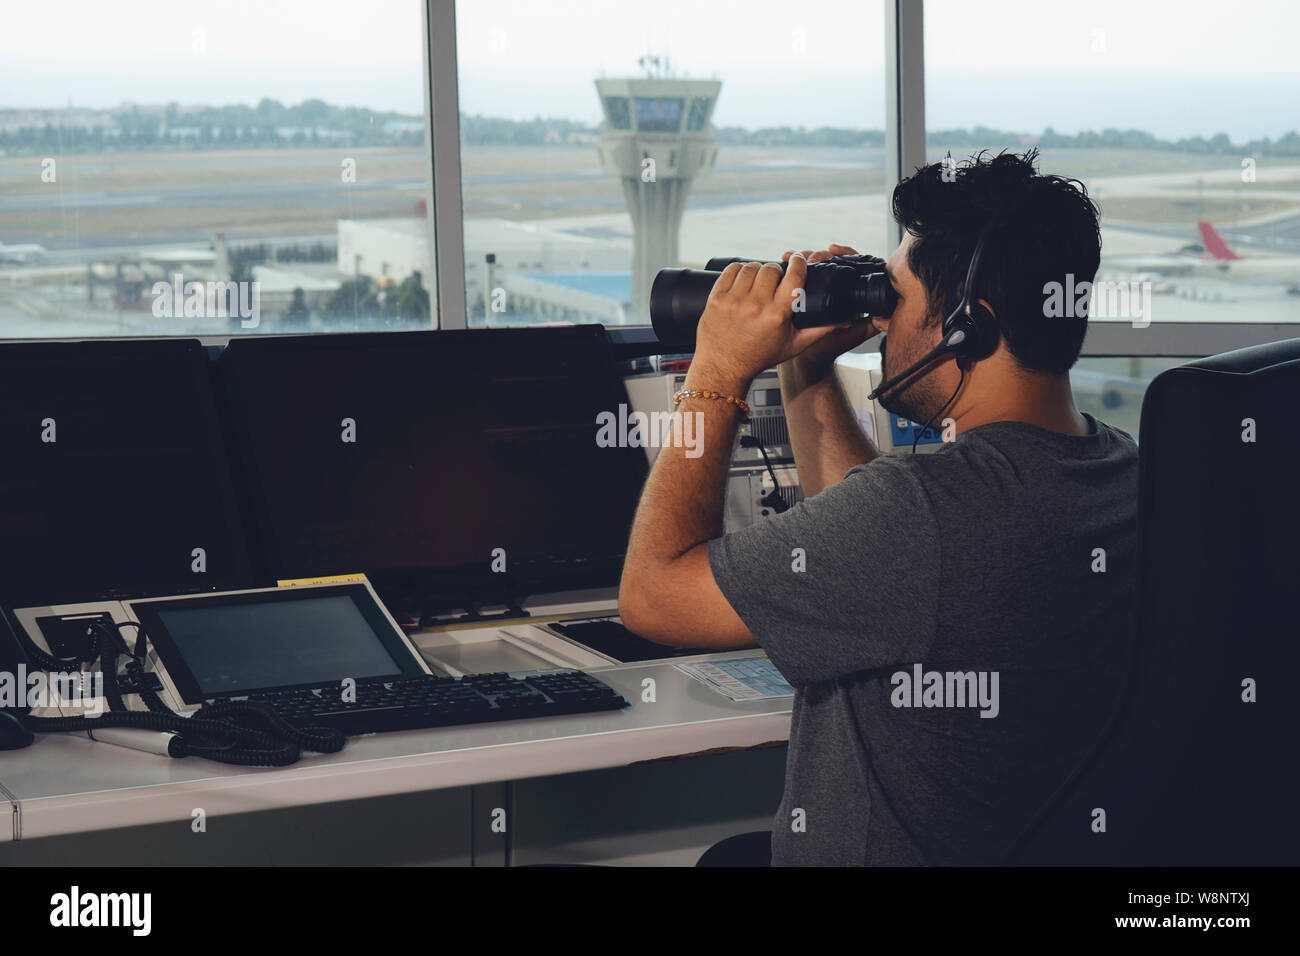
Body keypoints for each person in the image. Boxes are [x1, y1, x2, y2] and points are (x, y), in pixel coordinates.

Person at [618, 150, 1139, 865]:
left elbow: (653, 596)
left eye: (892, 297)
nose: (882, 324)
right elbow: (879, 570)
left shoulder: (923, 512)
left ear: (969, 327)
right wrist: (804, 363)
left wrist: (716, 372)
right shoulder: (1126, 472)